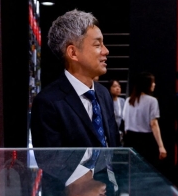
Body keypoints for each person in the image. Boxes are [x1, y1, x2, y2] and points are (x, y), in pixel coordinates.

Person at [30, 10, 120, 148]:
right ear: (73, 53)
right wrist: (91, 169)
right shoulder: (48, 103)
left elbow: (115, 147)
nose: (106, 51)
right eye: (97, 45)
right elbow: (51, 162)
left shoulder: (103, 93)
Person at [123, 72, 167, 167]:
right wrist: (161, 146)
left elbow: (125, 121)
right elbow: (153, 124)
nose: (154, 84)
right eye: (152, 82)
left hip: (130, 138)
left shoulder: (128, 100)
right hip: (145, 140)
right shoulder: (152, 101)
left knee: (131, 169)